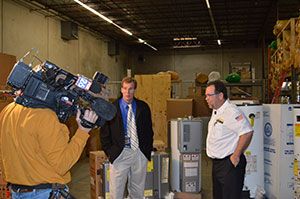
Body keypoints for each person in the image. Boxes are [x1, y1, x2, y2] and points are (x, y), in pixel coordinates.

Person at [0, 91, 98, 199]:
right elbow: (62, 165)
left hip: (16, 191)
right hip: (44, 192)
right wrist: (83, 131)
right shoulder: (45, 115)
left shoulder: (8, 110)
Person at [100, 76, 154, 199]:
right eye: (125, 88)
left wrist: (147, 149)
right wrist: (111, 152)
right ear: (121, 89)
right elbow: (104, 133)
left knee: (137, 191)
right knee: (116, 191)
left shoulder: (143, 107)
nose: (127, 92)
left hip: (139, 153)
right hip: (120, 153)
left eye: (131, 89)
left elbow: (149, 130)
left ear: (134, 90)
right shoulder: (112, 108)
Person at [205, 80, 253, 199]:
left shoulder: (231, 112)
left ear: (220, 96)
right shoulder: (216, 111)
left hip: (229, 164)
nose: (206, 98)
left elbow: (247, 132)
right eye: (205, 95)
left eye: (209, 95)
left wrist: (235, 156)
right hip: (217, 164)